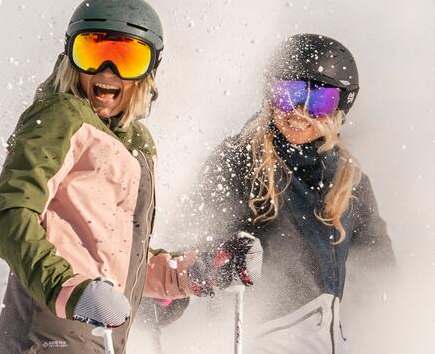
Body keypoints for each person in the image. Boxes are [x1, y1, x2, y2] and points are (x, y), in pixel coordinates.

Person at [0, 0, 262, 354]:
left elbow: (117, 260)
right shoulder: (61, 117)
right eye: (92, 52)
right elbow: (10, 218)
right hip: (49, 339)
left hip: (96, 342)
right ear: (70, 55)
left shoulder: (135, 145)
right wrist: (71, 291)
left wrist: (196, 271)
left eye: (127, 58)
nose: (107, 71)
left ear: (150, 69)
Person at [169, 33, 395, 353]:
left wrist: (385, 331)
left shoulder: (349, 180)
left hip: (324, 343)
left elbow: (379, 272)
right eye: (289, 94)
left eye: (319, 101)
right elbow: (187, 245)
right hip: (249, 337)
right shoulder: (239, 160)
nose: (299, 111)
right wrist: (177, 291)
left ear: (340, 107)